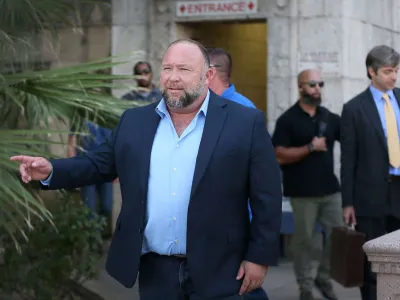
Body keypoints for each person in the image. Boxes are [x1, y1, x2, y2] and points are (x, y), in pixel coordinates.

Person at [11, 38, 282, 300]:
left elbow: (267, 195)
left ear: (208, 75)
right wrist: (51, 171)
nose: (173, 77)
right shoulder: (135, 121)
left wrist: (259, 257)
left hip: (221, 267)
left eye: (184, 69)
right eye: (167, 68)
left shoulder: (244, 122)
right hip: (156, 270)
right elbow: (99, 164)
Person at [272, 69, 342, 300]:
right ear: (300, 87)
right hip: (303, 194)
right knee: (304, 243)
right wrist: (310, 148)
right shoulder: (288, 119)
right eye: (312, 84)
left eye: (320, 84)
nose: (317, 89)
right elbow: (279, 154)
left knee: (338, 238)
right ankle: (305, 288)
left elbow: (351, 136)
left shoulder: (329, 117)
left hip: (331, 191)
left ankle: (323, 277)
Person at [207, 47, 268, 300]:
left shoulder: (243, 112)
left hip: (236, 232)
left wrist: (255, 250)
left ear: (209, 74)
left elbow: (262, 183)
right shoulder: (202, 108)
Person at [341, 45, 400, 300]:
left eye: (396, 70)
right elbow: (348, 159)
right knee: (372, 264)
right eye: (388, 71)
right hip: (369, 196)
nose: (394, 76)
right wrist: (348, 202)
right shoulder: (354, 108)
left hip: (399, 191)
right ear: (371, 72)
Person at [67, 121, 113, 226]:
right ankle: (93, 238)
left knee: (107, 207)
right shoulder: (82, 115)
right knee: (89, 209)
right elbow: (71, 142)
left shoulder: (108, 118)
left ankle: (97, 230)